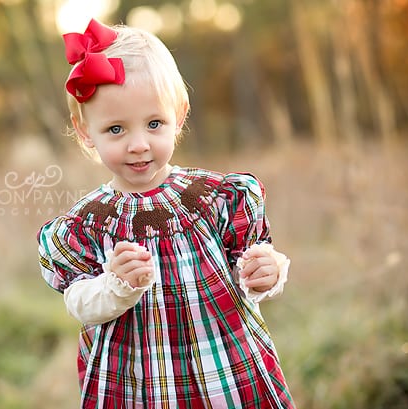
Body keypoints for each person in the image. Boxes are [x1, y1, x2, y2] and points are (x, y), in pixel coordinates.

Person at [37, 19, 296, 408]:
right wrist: (116, 285)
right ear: (85, 130)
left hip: (226, 370)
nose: (138, 145)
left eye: (154, 124)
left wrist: (268, 273)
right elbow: (80, 303)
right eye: (116, 130)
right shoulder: (87, 223)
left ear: (180, 113)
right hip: (138, 383)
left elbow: (249, 269)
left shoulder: (215, 199)